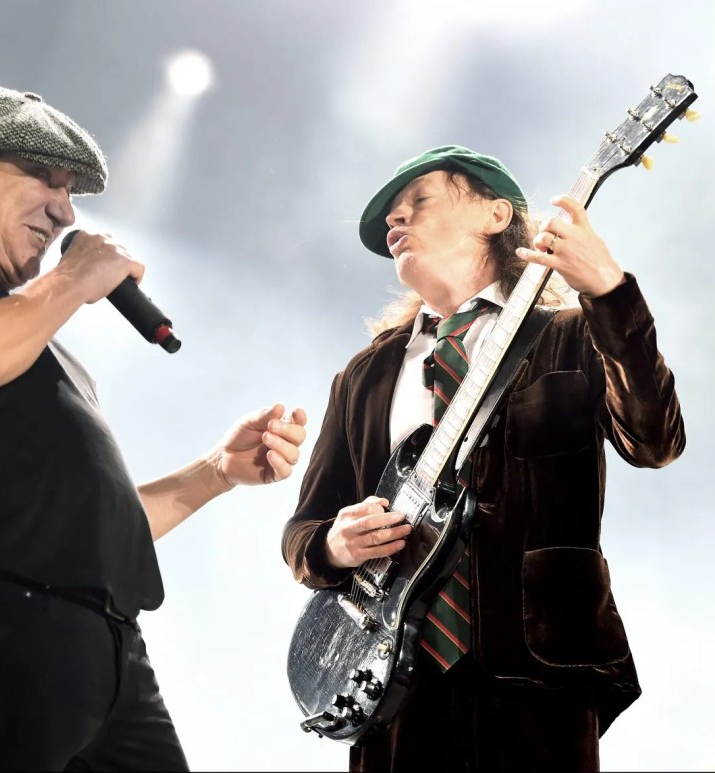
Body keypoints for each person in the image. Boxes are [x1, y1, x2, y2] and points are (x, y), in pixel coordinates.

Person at [0, 82, 308, 772]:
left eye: (70, 189)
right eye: (43, 178)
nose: (64, 209)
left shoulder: (37, 345)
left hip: (108, 646)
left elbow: (88, 523)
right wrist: (75, 278)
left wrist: (216, 472)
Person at [282, 145, 685, 772]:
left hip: (537, 673)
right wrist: (334, 544)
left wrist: (609, 292)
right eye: (391, 216)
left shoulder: (573, 335)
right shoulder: (365, 375)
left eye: (420, 201)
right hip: (390, 682)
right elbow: (302, 532)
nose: (397, 220)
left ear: (497, 214)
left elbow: (655, 439)